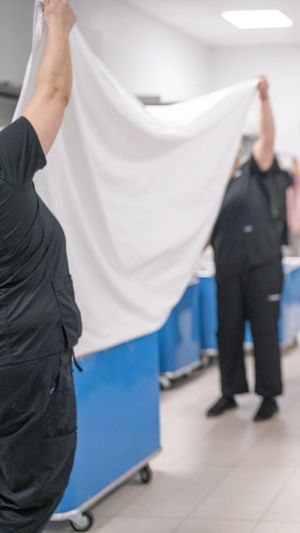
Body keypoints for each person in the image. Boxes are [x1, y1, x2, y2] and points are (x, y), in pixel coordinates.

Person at [0, 1, 81, 531]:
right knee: (24, 502)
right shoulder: (3, 165)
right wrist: (60, 23)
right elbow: (52, 93)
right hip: (25, 366)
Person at [206, 75, 289, 422]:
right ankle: (229, 391)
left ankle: (268, 396)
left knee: (264, 332)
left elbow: (268, 136)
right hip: (227, 268)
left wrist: (264, 100)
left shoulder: (255, 171)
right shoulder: (210, 190)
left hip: (262, 266)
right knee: (227, 331)